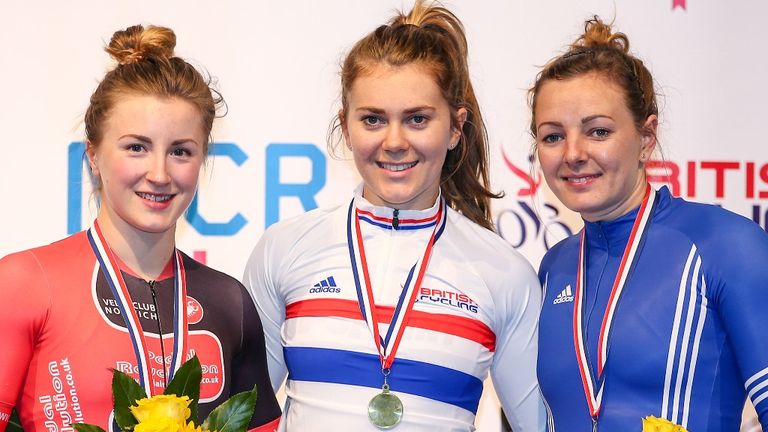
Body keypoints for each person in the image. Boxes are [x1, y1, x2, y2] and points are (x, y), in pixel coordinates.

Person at [243, 1, 546, 431]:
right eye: (373, 119)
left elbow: (538, 425)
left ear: (456, 127)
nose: (395, 141)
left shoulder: (504, 273)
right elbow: (241, 417)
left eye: (417, 119)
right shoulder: (284, 249)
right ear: (345, 126)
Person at [0, 25, 281, 432]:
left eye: (181, 151)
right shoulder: (25, 283)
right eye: (136, 147)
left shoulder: (229, 303)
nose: (160, 173)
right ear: (93, 156)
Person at [531, 16, 768, 432]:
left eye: (598, 131)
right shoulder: (554, 268)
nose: (572, 153)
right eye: (552, 136)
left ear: (646, 137)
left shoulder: (725, 245)